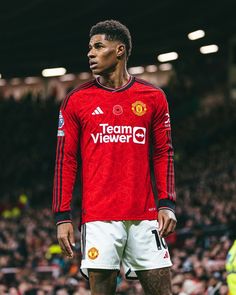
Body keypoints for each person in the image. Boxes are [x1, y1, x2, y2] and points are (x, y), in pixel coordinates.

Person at [52, 19, 177, 295]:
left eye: (99, 46)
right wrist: (62, 216)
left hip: (145, 217)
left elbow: (163, 152)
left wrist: (166, 202)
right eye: (89, 48)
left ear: (119, 50)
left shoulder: (153, 97)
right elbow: (66, 160)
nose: (90, 53)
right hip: (98, 219)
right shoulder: (76, 100)